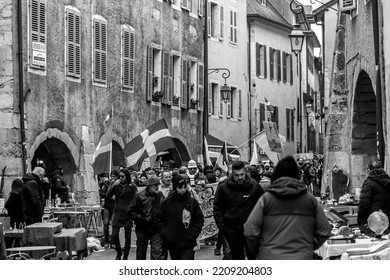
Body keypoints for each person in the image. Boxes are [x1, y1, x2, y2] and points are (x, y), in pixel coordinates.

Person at [244, 155, 331, 260]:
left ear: (276, 175)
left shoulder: (266, 200)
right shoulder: (310, 200)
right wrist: (309, 246)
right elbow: (325, 230)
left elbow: (250, 230)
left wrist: (258, 250)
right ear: (297, 176)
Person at [213, 161, 264, 260]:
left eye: (242, 174)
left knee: (253, 257)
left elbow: (263, 207)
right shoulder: (223, 188)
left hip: (251, 231)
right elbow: (217, 209)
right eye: (236, 175)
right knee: (237, 258)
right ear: (232, 174)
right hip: (232, 231)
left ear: (245, 173)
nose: (240, 177)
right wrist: (223, 228)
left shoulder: (254, 186)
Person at [158, 174, 204, 260]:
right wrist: (166, 233)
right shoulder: (167, 203)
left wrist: (194, 232)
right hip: (173, 242)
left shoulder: (191, 202)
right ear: (175, 188)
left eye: (184, 187)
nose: (183, 190)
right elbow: (160, 220)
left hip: (188, 241)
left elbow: (199, 219)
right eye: (180, 187)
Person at [129, 175, 165, 260]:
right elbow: (131, 211)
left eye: (158, 185)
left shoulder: (160, 195)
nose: (157, 187)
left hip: (156, 228)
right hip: (142, 228)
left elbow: (165, 208)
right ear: (149, 186)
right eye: (155, 185)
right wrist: (142, 219)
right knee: (141, 252)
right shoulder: (139, 195)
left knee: (157, 252)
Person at [106, 168, 137, 260]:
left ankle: (126, 255)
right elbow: (107, 195)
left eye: (122, 176)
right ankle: (119, 252)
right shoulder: (116, 185)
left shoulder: (132, 187)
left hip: (127, 213)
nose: (120, 178)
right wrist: (112, 185)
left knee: (128, 237)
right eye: (119, 176)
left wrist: (133, 211)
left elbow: (136, 199)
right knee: (114, 234)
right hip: (118, 212)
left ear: (127, 177)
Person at [357, 161, 390, 235]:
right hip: (386, 222)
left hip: (373, 222)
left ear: (368, 171)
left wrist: (360, 221)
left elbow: (364, 204)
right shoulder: (388, 181)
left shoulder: (368, 183)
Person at [98, 170, 118, 248]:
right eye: (112, 176)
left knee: (114, 224)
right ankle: (106, 240)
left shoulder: (118, 185)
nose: (113, 178)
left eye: (114, 176)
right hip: (107, 206)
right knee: (106, 223)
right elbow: (101, 194)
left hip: (115, 207)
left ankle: (113, 241)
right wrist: (108, 194)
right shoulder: (107, 184)